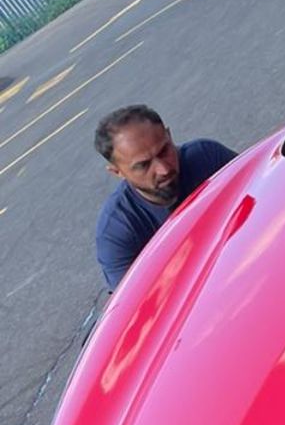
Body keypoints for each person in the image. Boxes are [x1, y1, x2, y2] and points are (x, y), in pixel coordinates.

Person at [93, 106, 236, 291]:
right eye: (143, 165)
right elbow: (136, 307)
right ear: (117, 172)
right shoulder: (117, 234)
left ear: (169, 136)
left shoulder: (209, 158)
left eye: (164, 151)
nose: (164, 169)